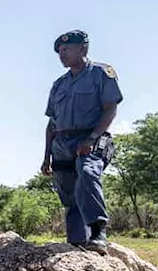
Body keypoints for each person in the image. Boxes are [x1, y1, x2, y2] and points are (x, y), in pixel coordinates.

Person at [41, 29, 121, 253]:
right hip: (62, 143)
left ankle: (98, 232)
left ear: (83, 48)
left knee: (87, 171)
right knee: (68, 193)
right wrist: (46, 156)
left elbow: (110, 109)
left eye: (66, 49)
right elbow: (51, 123)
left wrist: (92, 138)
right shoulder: (58, 85)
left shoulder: (101, 73)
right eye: (59, 51)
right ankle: (77, 244)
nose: (61, 55)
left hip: (92, 137)